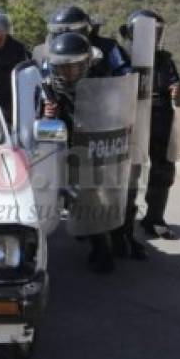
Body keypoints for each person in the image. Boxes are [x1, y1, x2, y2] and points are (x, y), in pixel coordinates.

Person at [41, 32, 117, 273]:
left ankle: (102, 247)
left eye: (74, 68)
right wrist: (46, 116)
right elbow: (29, 127)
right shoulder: (45, 89)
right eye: (63, 69)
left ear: (86, 65)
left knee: (89, 197)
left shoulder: (100, 88)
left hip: (86, 152)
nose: (68, 74)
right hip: (52, 154)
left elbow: (113, 119)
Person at [121, 9, 180, 240]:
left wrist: (176, 89)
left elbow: (174, 84)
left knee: (163, 170)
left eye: (157, 32)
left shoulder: (165, 60)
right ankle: (124, 221)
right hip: (132, 119)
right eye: (149, 33)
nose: (154, 37)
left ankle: (155, 218)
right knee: (130, 172)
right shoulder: (122, 57)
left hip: (160, 118)